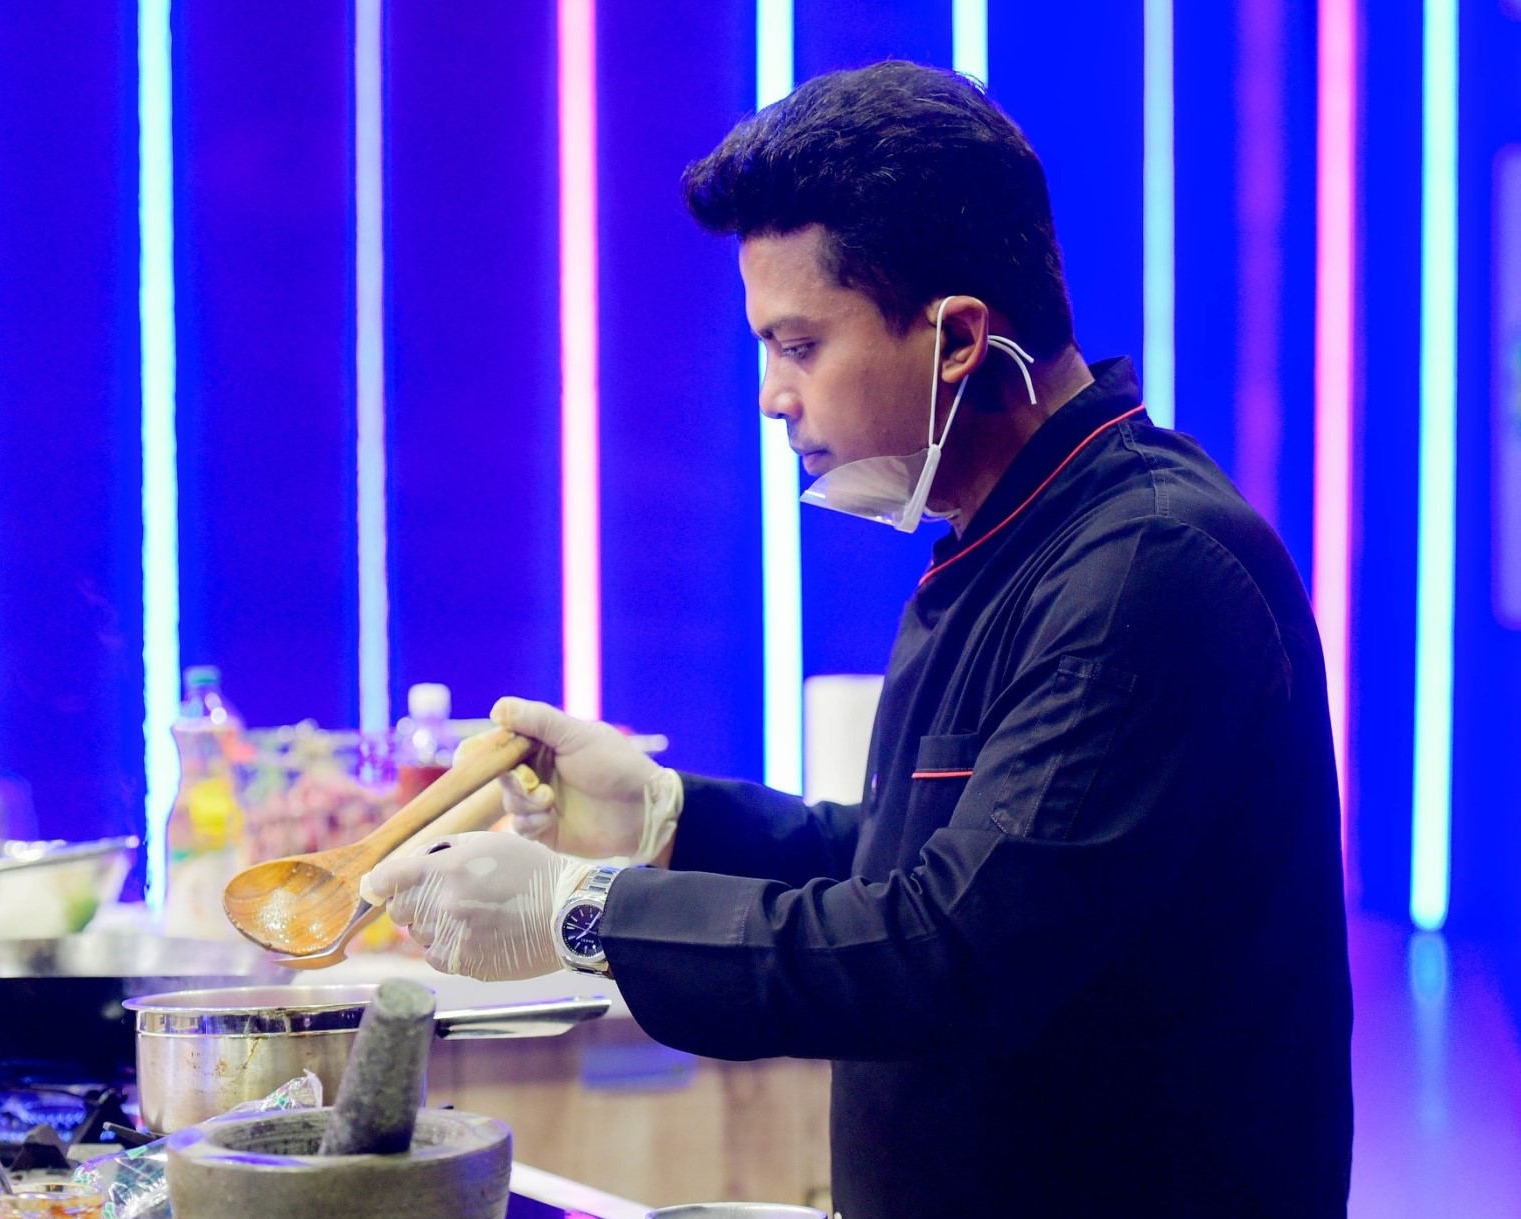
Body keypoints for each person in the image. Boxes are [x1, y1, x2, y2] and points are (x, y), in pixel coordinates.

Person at [365, 60, 1353, 1217]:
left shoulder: (1149, 570)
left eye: (798, 346)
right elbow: (913, 861)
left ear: (958, 339)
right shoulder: (1009, 538)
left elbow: (951, 949)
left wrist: (580, 910)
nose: (771, 396)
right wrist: (669, 818)